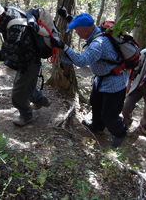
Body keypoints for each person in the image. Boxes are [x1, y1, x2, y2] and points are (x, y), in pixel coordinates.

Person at [50, 12, 128, 148]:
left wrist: (64, 46)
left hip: (115, 82)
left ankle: (120, 132)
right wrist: (67, 16)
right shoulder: (95, 30)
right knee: (95, 102)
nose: (75, 31)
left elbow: (81, 61)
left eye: (76, 29)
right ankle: (98, 126)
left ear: (85, 30)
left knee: (109, 114)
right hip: (102, 80)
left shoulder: (99, 43)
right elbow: (82, 23)